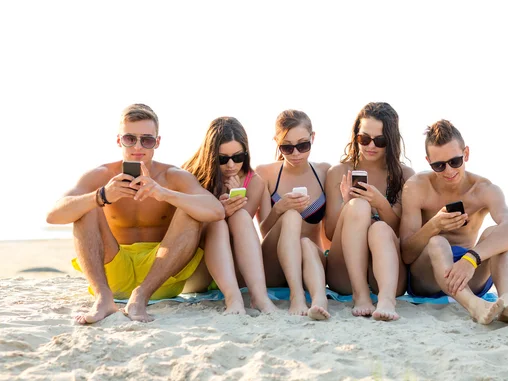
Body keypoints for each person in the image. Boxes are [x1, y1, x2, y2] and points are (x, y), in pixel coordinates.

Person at [46, 104, 245, 324]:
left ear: (157, 142)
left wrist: (163, 193)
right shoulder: (101, 175)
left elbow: (215, 211)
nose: (138, 146)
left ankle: (140, 296)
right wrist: (102, 195)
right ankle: (103, 299)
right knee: (85, 205)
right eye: (130, 139)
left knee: (190, 210)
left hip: (160, 276)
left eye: (147, 140)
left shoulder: (173, 176)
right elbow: (53, 215)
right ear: (119, 140)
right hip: (114, 271)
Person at [400, 119, 508, 324]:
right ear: (428, 161)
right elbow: (406, 254)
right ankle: (474, 306)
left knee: (496, 235)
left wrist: (470, 259)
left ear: (466, 154)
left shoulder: (484, 189)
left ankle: (507, 300)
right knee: (437, 241)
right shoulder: (417, 187)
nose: (449, 171)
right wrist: (434, 225)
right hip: (427, 277)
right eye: (439, 165)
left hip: (468, 272)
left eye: (455, 161)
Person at [325, 102, 414, 321]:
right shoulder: (339, 172)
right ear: (355, 136)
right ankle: (360, 294)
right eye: (364, 138)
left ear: (391, 142)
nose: (370, 146)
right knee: (358, 205)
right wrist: (347, 203)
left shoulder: (405, 175)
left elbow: (405, 235)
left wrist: (381, 203)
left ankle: (386, 299)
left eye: (380, 141)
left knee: (381, 228)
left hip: (388, 274)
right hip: (345, 273)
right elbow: (328, 234)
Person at [182, 116, 277, 313]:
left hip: (234, 267)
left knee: (241, 216)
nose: (231, 165)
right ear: (210, 155)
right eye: (222, 159)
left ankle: (259, 298)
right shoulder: (191, 175)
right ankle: (233, 299)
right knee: (216, 222)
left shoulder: (255, 181)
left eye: (238, 157)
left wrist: (236, 198)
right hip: (198, 267)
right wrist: (218, 207)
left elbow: (241, 231)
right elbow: (185, 232)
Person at [256, 110, 331, 320]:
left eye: (303, 145)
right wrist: (280, 208)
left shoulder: (325, 172)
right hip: (275, 263)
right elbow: (263, 230)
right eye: (287, 147)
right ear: (276, 143)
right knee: (291, 216)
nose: (296, 153)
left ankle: (319, 299)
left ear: (313, 138)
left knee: (307, 243)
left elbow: (329, 233)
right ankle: (296, 296)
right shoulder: (266, 173)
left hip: (311, 261)